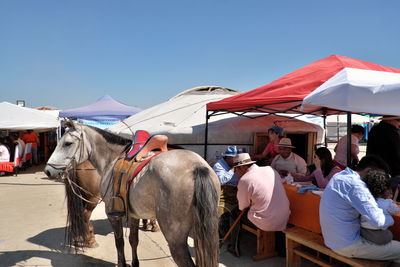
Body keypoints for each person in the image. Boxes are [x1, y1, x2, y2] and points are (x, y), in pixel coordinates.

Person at [320, 155, 400, 262]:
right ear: (369, 171)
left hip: (332, 239)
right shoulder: (357, 186)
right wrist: (391, 219)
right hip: (347, 245)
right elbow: (379, 221)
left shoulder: (340, 175)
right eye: (379, 176)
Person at [229, 153, 290, 257]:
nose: (236, 173)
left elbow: (242, 206)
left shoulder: (245, 180)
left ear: (242, 167)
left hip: (268, 220)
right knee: (273, 209)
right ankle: (281, 248)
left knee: (234, 213)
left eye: (236, 170)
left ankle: (233, 247)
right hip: (285, 216)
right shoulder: (270, 170)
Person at [360, 170, 400, 245]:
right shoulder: (388, 203)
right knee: (389, 235)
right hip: (377, 234)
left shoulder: (365, 200)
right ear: (385, 189)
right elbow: (396, 211)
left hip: (363, 230)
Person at [212, 146, 240, 237]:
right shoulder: (219, 165)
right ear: (227, 157)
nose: (236, 160)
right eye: (234, 158)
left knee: (238, 210)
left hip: (236, 190)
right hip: (222, 192)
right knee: (219, 211)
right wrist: (232, 170)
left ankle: (233, 235)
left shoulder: (236, 163)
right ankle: (220, 234)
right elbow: (221, 180)